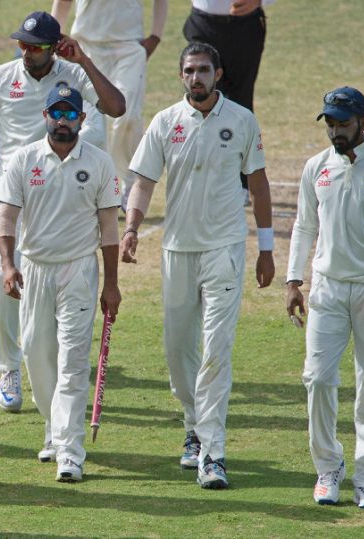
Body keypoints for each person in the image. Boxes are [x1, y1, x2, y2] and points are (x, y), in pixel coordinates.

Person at [120, 42, 274, 489]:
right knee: (177, 351)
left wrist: (266, 250)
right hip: (177, 251)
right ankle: (192, 424)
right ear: (181, 76)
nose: (196, 78)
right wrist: (131, 228)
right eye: (189, 71)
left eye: (203, 70)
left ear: (219, 74)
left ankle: (213, 452)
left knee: (216, 351)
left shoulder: (241, 120)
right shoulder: (166, 122)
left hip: (224, 248)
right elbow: (144, 181)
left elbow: (259, 183)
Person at [0, 11, 125, 414]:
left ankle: (50, 371)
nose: (27, 52)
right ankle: (8, 368)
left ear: (55, 47)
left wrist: (84, 60)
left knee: (55, 287)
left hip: (61, 195)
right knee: (1, 282)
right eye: (22, 44)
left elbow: (116, 107)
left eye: (35, 46)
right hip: (11, 194)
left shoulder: (72, 72)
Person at [0, 86, 121, 481]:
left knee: (71, 361)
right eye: (56, 113)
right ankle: (53, 427)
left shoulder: (100, 163)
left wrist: (112, 284)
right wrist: (7, 265)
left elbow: (108, 227)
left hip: (79, 269)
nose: (63, 120)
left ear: (83, 119)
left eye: (70, 114)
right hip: (34, 268)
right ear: (45, 116)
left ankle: (70, 450)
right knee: (36, 352)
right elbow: (5, 217)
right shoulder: (24, 159)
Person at [286, 87, 364, 510]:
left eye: (343, 123)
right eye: (330, 123)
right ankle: (328, 469)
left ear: (363, 123)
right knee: (317, 379)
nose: (335, 131)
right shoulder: (317, 167)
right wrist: (294, 280)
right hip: (326, 287)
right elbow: (303, 227)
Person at [51, 0, 169, 205]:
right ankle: (100, 184)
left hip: (129, 46)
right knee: (93, 126)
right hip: (86, 45)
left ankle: (130, 182)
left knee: (129, 116)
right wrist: (53, 37)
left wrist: (156, 36)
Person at [183, 0, 274, 201]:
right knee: (202, 101)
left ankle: (240, 183)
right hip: (203, 24)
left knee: (240, 104)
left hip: (245, 25)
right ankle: (201, 177)